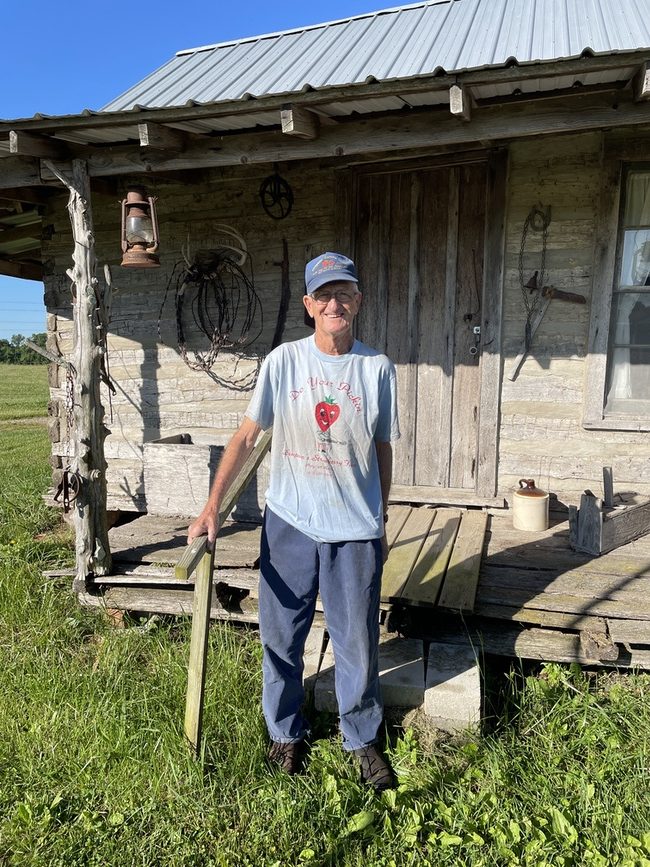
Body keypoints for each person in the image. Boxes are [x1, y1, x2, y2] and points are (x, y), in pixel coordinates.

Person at [188, 251, 400, 791]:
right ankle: (286, 731)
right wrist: (212, 506)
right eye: (324, 295)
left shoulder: (377, 368)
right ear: (309, 305)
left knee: (356, 642)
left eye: (345, 293)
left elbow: (381, 448)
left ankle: (362, 739)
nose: (335, 303)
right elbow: (246, 436)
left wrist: (380, 514)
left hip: (354, 530)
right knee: (281, 636)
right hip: (290, 524)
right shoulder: (283, 362)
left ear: (358, 300)